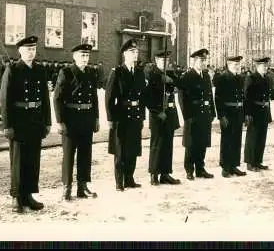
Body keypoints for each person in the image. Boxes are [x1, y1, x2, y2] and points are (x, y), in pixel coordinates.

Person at [0, 36, 52, 213]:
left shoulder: (39, 69)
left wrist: (47, 122)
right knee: (18, 160)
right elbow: (5, 99)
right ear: (20, 51)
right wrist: (7, 125)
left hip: (36, 121)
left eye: (33, 49)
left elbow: (45, 97)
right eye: (28, 49)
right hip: (19, 122)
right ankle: (16, 197)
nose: (31, 52)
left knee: (33, 160)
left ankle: (28, 195)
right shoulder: (13, 69)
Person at [53, 43, 100, 201]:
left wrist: (96, 118)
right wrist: (60, 121)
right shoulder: (66, 72)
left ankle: (82, 186)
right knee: (68, 155)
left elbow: (94, 98)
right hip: (71, 119)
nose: (85, 58)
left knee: (85, 154)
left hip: (87, 118)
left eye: (87, 55)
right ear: (74, 57)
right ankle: (67, 187)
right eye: (82, 55)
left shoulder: (91, 72)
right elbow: (57, 98)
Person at [105, 39, 147, 191]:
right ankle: (119, 181)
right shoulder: (117, 72)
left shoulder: (139, 72)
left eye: (136, 52)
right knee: (120, 150)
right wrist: (110, 119)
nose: (135, 54)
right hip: (121, 116)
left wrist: (142, 116)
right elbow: (109, 98)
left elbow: (142, 97)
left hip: (135, 115)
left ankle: (129, 178)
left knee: (133, 148)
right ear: (124, 54)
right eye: (131, 52)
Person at [142, 49, 182, 186]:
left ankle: (165, 173)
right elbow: (147, 98)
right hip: (158, 115)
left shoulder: (169, 74)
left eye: (167, 61)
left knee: (168, 145)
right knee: (157, 145)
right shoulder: (152, 75)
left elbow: (179, 84)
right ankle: (154, 174)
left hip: (169, 114)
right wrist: (157, 112)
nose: (165, 63)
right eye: (162, 60)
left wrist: (170, 79)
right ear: (156, 61)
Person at [178, 48, 216, 180]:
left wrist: (212, 112)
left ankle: (200, 169)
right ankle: (189, 170)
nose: (203, 62)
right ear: (194, 61)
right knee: (191, 144)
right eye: (200, 60)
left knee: (202, 142)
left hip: (204, 114)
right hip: (192, 115)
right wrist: (187, 116)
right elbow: (182, 98)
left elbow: (210, 96)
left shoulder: (206, 76)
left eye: (205, 60)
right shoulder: (187, 76)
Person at [214, 55, 247, 178]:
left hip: (238, 113)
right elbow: (218, 98)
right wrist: (221, 116)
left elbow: (242, 97)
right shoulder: (223, 78)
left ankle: (234, 165)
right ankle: (225, 167)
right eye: (234, 65)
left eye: (238, 65)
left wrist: (244, 114)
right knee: (227, 139)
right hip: (227, 113)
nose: (237, 67)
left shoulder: (239, 78)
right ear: (228, 65)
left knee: (236, 139)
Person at [243, 57, 272, 172]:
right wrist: (248, 113)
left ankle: (258, 161)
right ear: (257, 66)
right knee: (252, 138)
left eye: (266, 66)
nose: (266, 68)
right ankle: (250, 163)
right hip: (254, 112)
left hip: (264, 111)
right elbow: (247, 97)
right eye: (263, 66)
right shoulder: (251, 78)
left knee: (261, 138)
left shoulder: (266, 78)